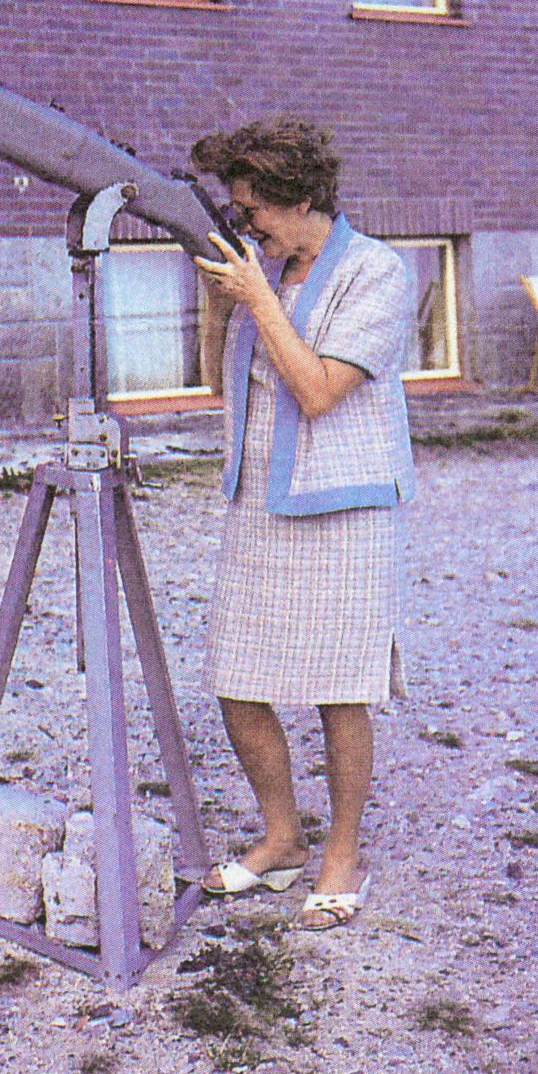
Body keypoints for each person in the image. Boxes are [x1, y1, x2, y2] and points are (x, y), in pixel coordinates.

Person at [190, 115, 415, 930]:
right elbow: (226, 385)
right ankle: (282, 835)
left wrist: (258, 298)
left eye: (254, 209)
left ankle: (340, 853)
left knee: (338, 690)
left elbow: (318, 391)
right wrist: (224, 305)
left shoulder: (375, 272)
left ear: (301, 198)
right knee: (236, 679)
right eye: (239, 210)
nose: (245, 224)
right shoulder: (267, 269)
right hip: (261, 497)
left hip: (344, 505)